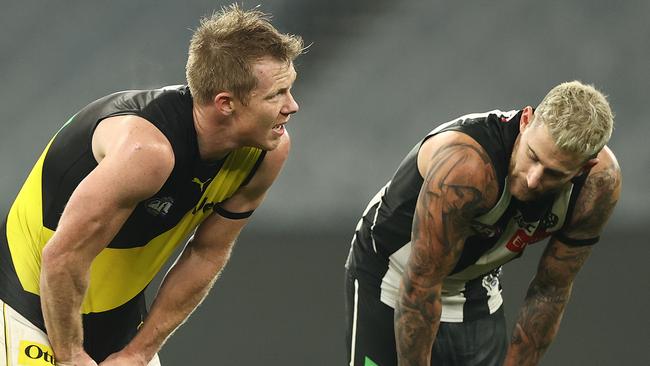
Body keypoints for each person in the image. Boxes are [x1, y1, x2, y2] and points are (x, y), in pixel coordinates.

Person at [0, 5, 303, 365]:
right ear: (225, 103)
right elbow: (62, 256)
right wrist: (69, 357)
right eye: (276, 94)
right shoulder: (148, 152)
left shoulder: (267, 153)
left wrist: (138, 352)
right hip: (31, 301)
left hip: (119, 316)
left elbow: (207, 253)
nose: (292, 106)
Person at [345, 81, 621, 366]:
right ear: (526, 120)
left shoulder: (599, 184)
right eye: (533, 157)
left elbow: (551, 290)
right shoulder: (465, 166)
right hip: (393, 275)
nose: (533, 179)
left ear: (584, 167)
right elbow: (421, 283)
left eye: (554, 173)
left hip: (473, 287)